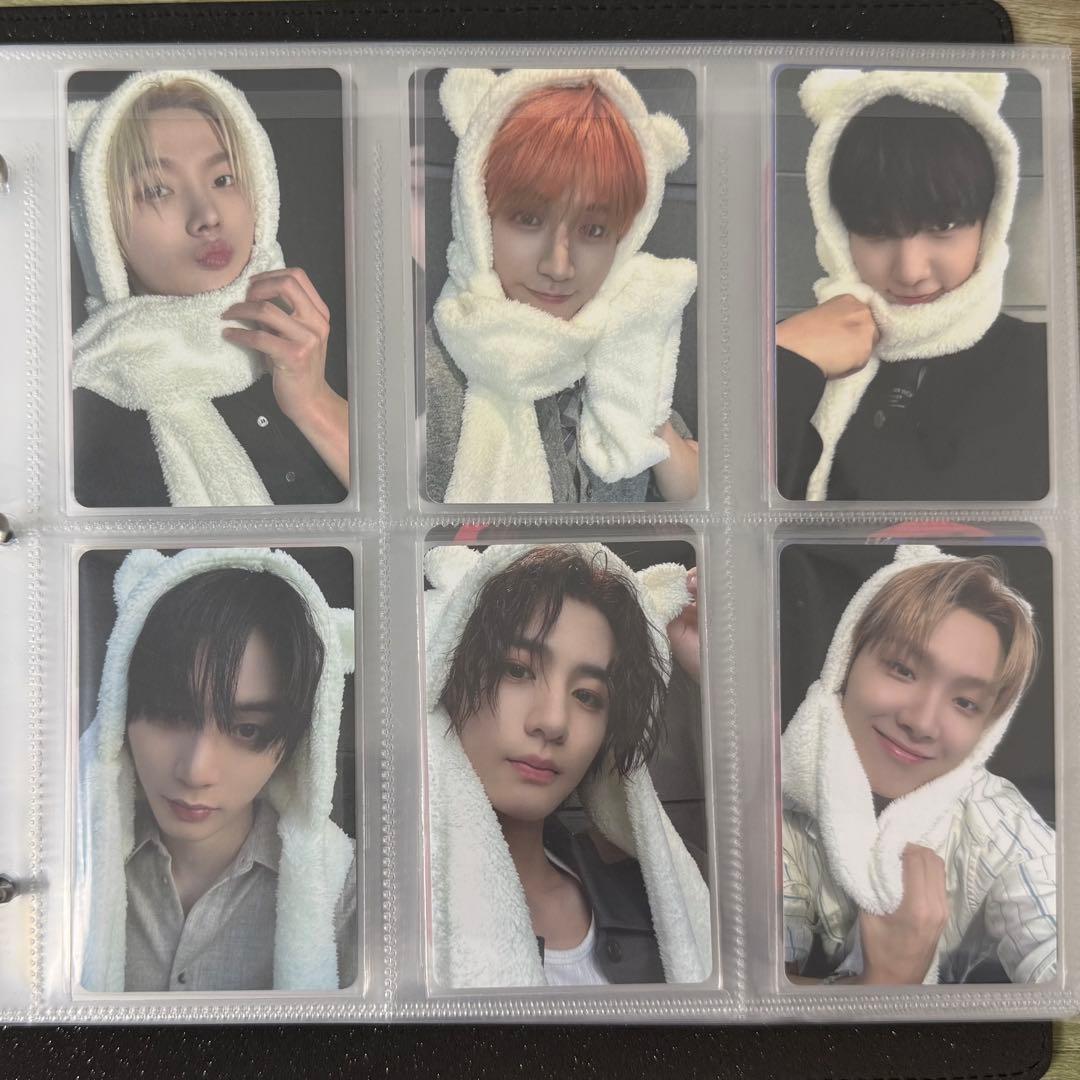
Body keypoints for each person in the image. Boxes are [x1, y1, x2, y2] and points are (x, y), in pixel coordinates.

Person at [425, 543, 711, 987]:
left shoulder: (648, 898)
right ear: (445, 675)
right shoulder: (372, 904)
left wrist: (716, 680)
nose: (554, 722)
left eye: (587, 696)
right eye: (516, 670)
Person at [77, 547, 357, 991]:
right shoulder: (61, 866)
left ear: (299, 742)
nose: (197, 771)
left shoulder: (350, 892)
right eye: (171, 713)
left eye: (247, 730)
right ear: (119, 708)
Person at [69, 69, 349, 507]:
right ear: (103, 228)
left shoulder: (320, 338)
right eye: (157, 190)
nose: (207, 216)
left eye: (223, 179)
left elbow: (421, 528)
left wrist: (315, 401)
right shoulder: (82, 420)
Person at [782, 546, 1056, 985]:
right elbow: (756, 993)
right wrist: (887, 982)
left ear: (987, 728)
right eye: (903, 670)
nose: (922, 722)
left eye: (965, 702)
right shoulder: (778, 802)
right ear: (845, 663)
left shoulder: (1000, 826)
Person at [426, 68, 699, 504]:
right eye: (528, 219)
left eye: (593, 229)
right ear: (477, 215)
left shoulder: (621, 349)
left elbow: (704, 500)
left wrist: (645, 408)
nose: (559, 266)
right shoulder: (426, 376)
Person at [776, 69, 1048, 501]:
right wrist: (785, 361)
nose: (910, 271)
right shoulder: (795, 353)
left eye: (943, 227)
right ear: (838, 231)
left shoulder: (1049, 364)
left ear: (991, 221)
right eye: (876, 231)